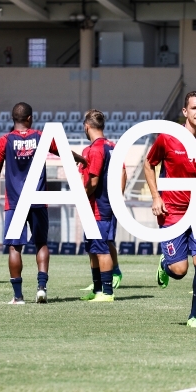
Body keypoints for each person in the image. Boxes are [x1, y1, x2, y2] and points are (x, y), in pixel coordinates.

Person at [0, 102, 86, 304]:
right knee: (41, 243)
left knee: (15, 247)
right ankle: (41, 287)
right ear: (29, 118)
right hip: (38, 200)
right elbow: (64, 152)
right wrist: (82, 159)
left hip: (15, 203)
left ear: (13, 118)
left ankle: (18, 296)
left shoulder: (4, 141)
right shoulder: (41, 137)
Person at [145, 91, 196, 328]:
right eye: (195, 108)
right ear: (185, 112)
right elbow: (149, 164)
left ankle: (194, 317)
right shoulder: (168, 138)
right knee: (179, 270)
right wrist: (156, 196)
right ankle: (166, 263)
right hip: (172, 211)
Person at [78, 109, 127, 302]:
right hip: (105, 205)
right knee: (93, 248)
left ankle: (107, 292)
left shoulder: (97, 149)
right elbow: (123, 174)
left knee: (101, 248)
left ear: (87, 126)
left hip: (98, 206)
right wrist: (117, 197)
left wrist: (82, 196)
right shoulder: (112, 146)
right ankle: (97, 290)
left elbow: (94, 181)